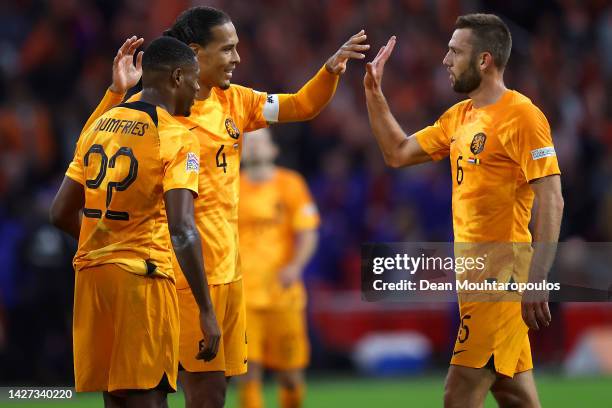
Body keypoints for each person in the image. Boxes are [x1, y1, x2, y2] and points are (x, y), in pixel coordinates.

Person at [84, 6, 368, 408]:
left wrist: (330, 71)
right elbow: (93, 151)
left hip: (225, 276)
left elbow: (300, 106)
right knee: (152, 393)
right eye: (227, 49)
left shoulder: (236, 102)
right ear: (196, 52)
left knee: (211, 394)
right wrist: (116, 93)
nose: (237, 58)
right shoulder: (157, 114)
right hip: (170, 273)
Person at [363, 13, 564, 408]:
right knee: (514, 395)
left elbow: (551, 195)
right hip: (473, 282)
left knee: (458, 395)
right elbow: (398, 152)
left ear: (484, 60)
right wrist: (374, 94)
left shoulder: (522, 116)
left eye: (455, 51)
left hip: (502, 280)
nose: (445, 60)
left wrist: (538, 277)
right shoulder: (460, 117)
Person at [49, 36, 220, 408]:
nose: (197, 90)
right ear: (177, 77)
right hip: (142, 280)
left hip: (92, 280)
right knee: (149, 397)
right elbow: (183, 230)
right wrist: (207, 311)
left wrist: (106, 247)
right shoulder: (177, 137)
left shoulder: (99, 123)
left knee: (116, 398)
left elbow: (60, 212)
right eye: (194, 80)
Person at [237, 128, 319, 408]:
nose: (255, 148)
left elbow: (308, 232)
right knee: (247, 375)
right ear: (241, 152)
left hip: (283, 293)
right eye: (249, 143)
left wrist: (295, 266)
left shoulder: (291, 184)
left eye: (261, 142)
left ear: (273, 150)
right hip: (243, 295)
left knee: (291, 377)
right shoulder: (230, 188)